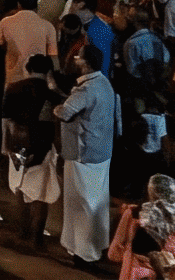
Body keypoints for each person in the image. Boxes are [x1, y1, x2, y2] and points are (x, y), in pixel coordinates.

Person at [60, 42, 119, 263]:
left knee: (81, 204)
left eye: (78, 57)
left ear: (86, 63)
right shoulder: (104, 83)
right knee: (97, 201)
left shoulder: (85, 89)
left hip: (83, 154)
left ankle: (83, 252)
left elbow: (66, 112)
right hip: (102, 152)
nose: (76, 60)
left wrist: (58, 107)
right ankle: (97, 246)